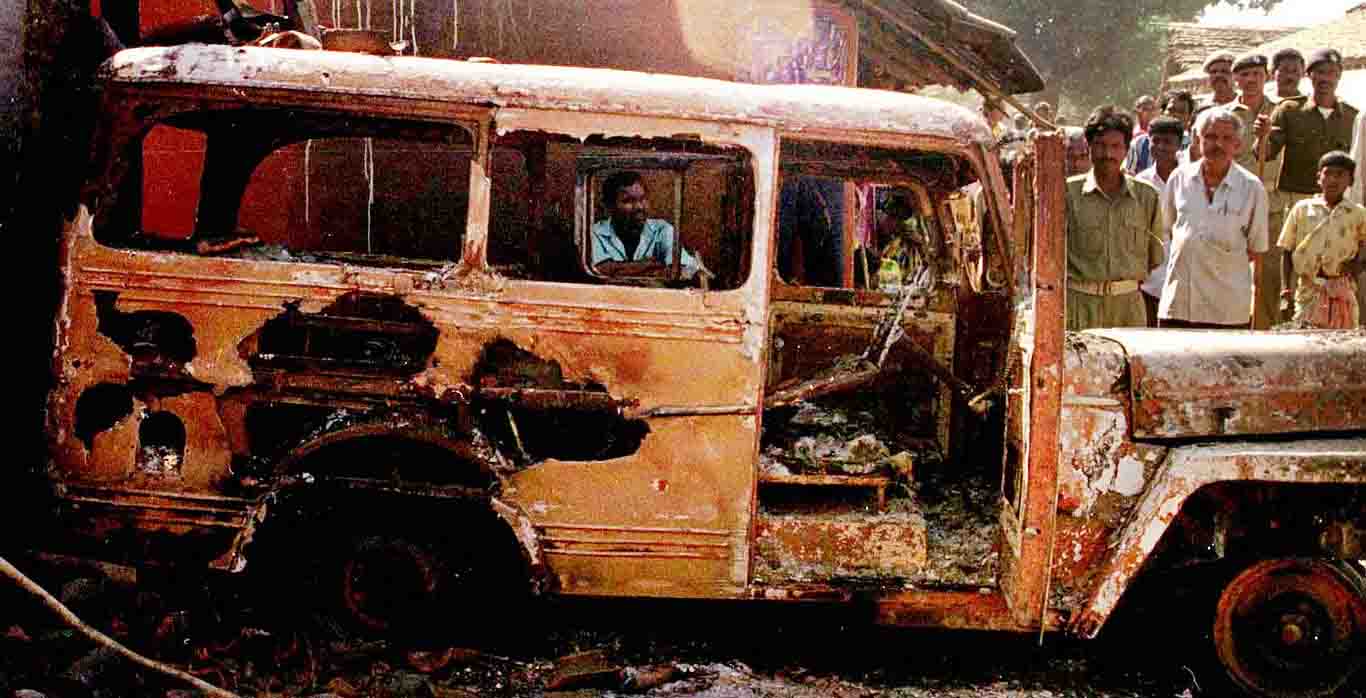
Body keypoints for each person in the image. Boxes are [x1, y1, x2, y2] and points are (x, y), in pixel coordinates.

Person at [1265, 48, 1358, 321]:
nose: (1325, 78)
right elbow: (1266, 153)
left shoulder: (1352, 117)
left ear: (1339, 76)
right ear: (1309, 75)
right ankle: (1283, 326)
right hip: (1297, 201)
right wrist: (1262, 137)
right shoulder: (1289, 111)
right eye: (1319, 72)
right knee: (1291, 271)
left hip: (1338, 207)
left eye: (1331, 73)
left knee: (1336, 273)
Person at [1158, 107, 1269, 329]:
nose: (1217, 144)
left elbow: (1256, 249)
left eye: (1226, 138)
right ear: (1197, 140)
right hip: (1180, 304)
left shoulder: (1251, 187)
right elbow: (1167, 230)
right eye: (1210, 136)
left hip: (1227, 310)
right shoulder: (1179, 178)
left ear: (1237, 145)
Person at [1064, 107, 1164, 330]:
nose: (1107, 154)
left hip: (1128, 308)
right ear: (1089, 147)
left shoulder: (1147, 196)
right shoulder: (1067, 194)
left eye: (1115, 146)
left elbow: (1154, 257)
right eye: (1100, 145)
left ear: (1126, 149)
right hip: (1079, 306)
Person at [1228, 52, 1285, 329]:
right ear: (1235, 79)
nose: (1251, 80)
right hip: (1234, 202)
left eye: (1257, 74)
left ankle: (1264, 330)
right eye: (1245, 75)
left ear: (1267, 77)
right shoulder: (1224, 115)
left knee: (1268, 274)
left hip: (1271, 203)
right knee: (1231, 267)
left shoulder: (1281, 111)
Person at [1277, 152, 1366, 328]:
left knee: (1341, 337)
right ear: (1319, 178)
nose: (1333, 179)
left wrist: (1358, 266)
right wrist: (1285, 288)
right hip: (1308, 290)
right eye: (1328, 173)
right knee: (1306, 335)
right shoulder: (1301, 209)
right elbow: (1287, 250)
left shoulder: (1357, 213)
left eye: (1340, 174)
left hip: (1342, 289)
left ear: (1351, 181)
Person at [591, 171, 701, 279]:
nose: (639, 207)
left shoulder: (662, 230)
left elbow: (683, 270)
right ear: (609, 206)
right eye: (628, 201)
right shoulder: (595, 233)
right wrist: (650, 265)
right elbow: (599, 270)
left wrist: (622, 269)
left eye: (643, 199)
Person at [1136, 116, 1185, 326]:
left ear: (1179, 145)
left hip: (1185, 274)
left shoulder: (1191, 179)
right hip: (1151, 278)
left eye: (1168, 142)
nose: (1161, 147)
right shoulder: (1141, 183)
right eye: (1156, 141)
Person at [1127, 90, 1195, 173]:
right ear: (1162, 112)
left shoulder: (1193, 147)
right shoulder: (1139, 145)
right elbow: (1129, 175)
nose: (1176, 115)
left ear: (1189, 117)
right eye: (1171, 110)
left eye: (1181, 111)